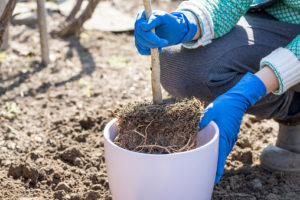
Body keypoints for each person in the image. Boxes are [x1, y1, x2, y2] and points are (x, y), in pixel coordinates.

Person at [134, 0, 300, 183]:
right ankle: (293, 109)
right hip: (278, 21)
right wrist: (188, 23)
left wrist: (249, 90)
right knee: (176, 61)